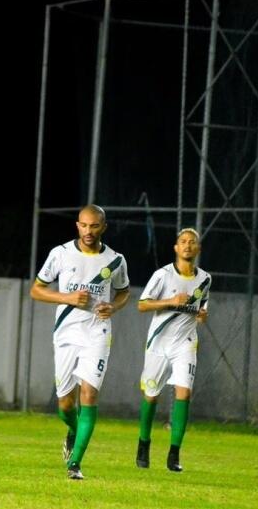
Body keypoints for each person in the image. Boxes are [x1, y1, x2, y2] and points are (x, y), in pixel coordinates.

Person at [30, 204, 130, 480]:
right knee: (65, 404)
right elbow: (36, 290)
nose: (88, 231)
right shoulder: (60, 254)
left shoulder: (115, 260)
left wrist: (114, 307)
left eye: (94, 226)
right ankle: (73, 431)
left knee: (90, 394)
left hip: (97, 333)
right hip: (66, 334)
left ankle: (75, 463)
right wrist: (67, 298)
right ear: (77, 226)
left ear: (103, 227)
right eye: (84, 225)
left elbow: (123, 292)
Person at [135, 228, 210, 472]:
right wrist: (170, 302)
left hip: (185, 343)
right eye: (183, 242)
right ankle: (144, 444)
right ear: (176, 248)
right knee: (151, 395)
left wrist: (201, 314)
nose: (188, 245)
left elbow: (200, 307)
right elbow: (142, 305)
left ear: (197, 249)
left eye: (192, 242)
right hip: (158, 342)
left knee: (184, 393)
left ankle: (174, 454)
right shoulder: (163, 275)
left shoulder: (205, 279)